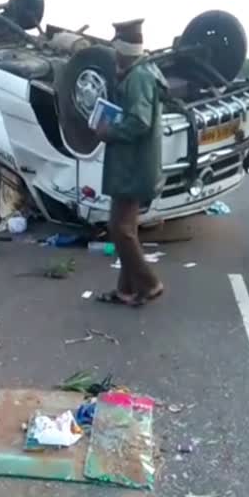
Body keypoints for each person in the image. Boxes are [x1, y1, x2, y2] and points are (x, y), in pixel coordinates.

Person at [95, 19, 165, 307]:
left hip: (132, 166)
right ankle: (125, 289)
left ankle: (150, 284)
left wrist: (108, 131)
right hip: (135, 164)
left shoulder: (138, 79)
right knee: (126, 228)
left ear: (123, 51)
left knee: (120, 229)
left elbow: (139, 121)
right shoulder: (145, 71)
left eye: (116, 50)